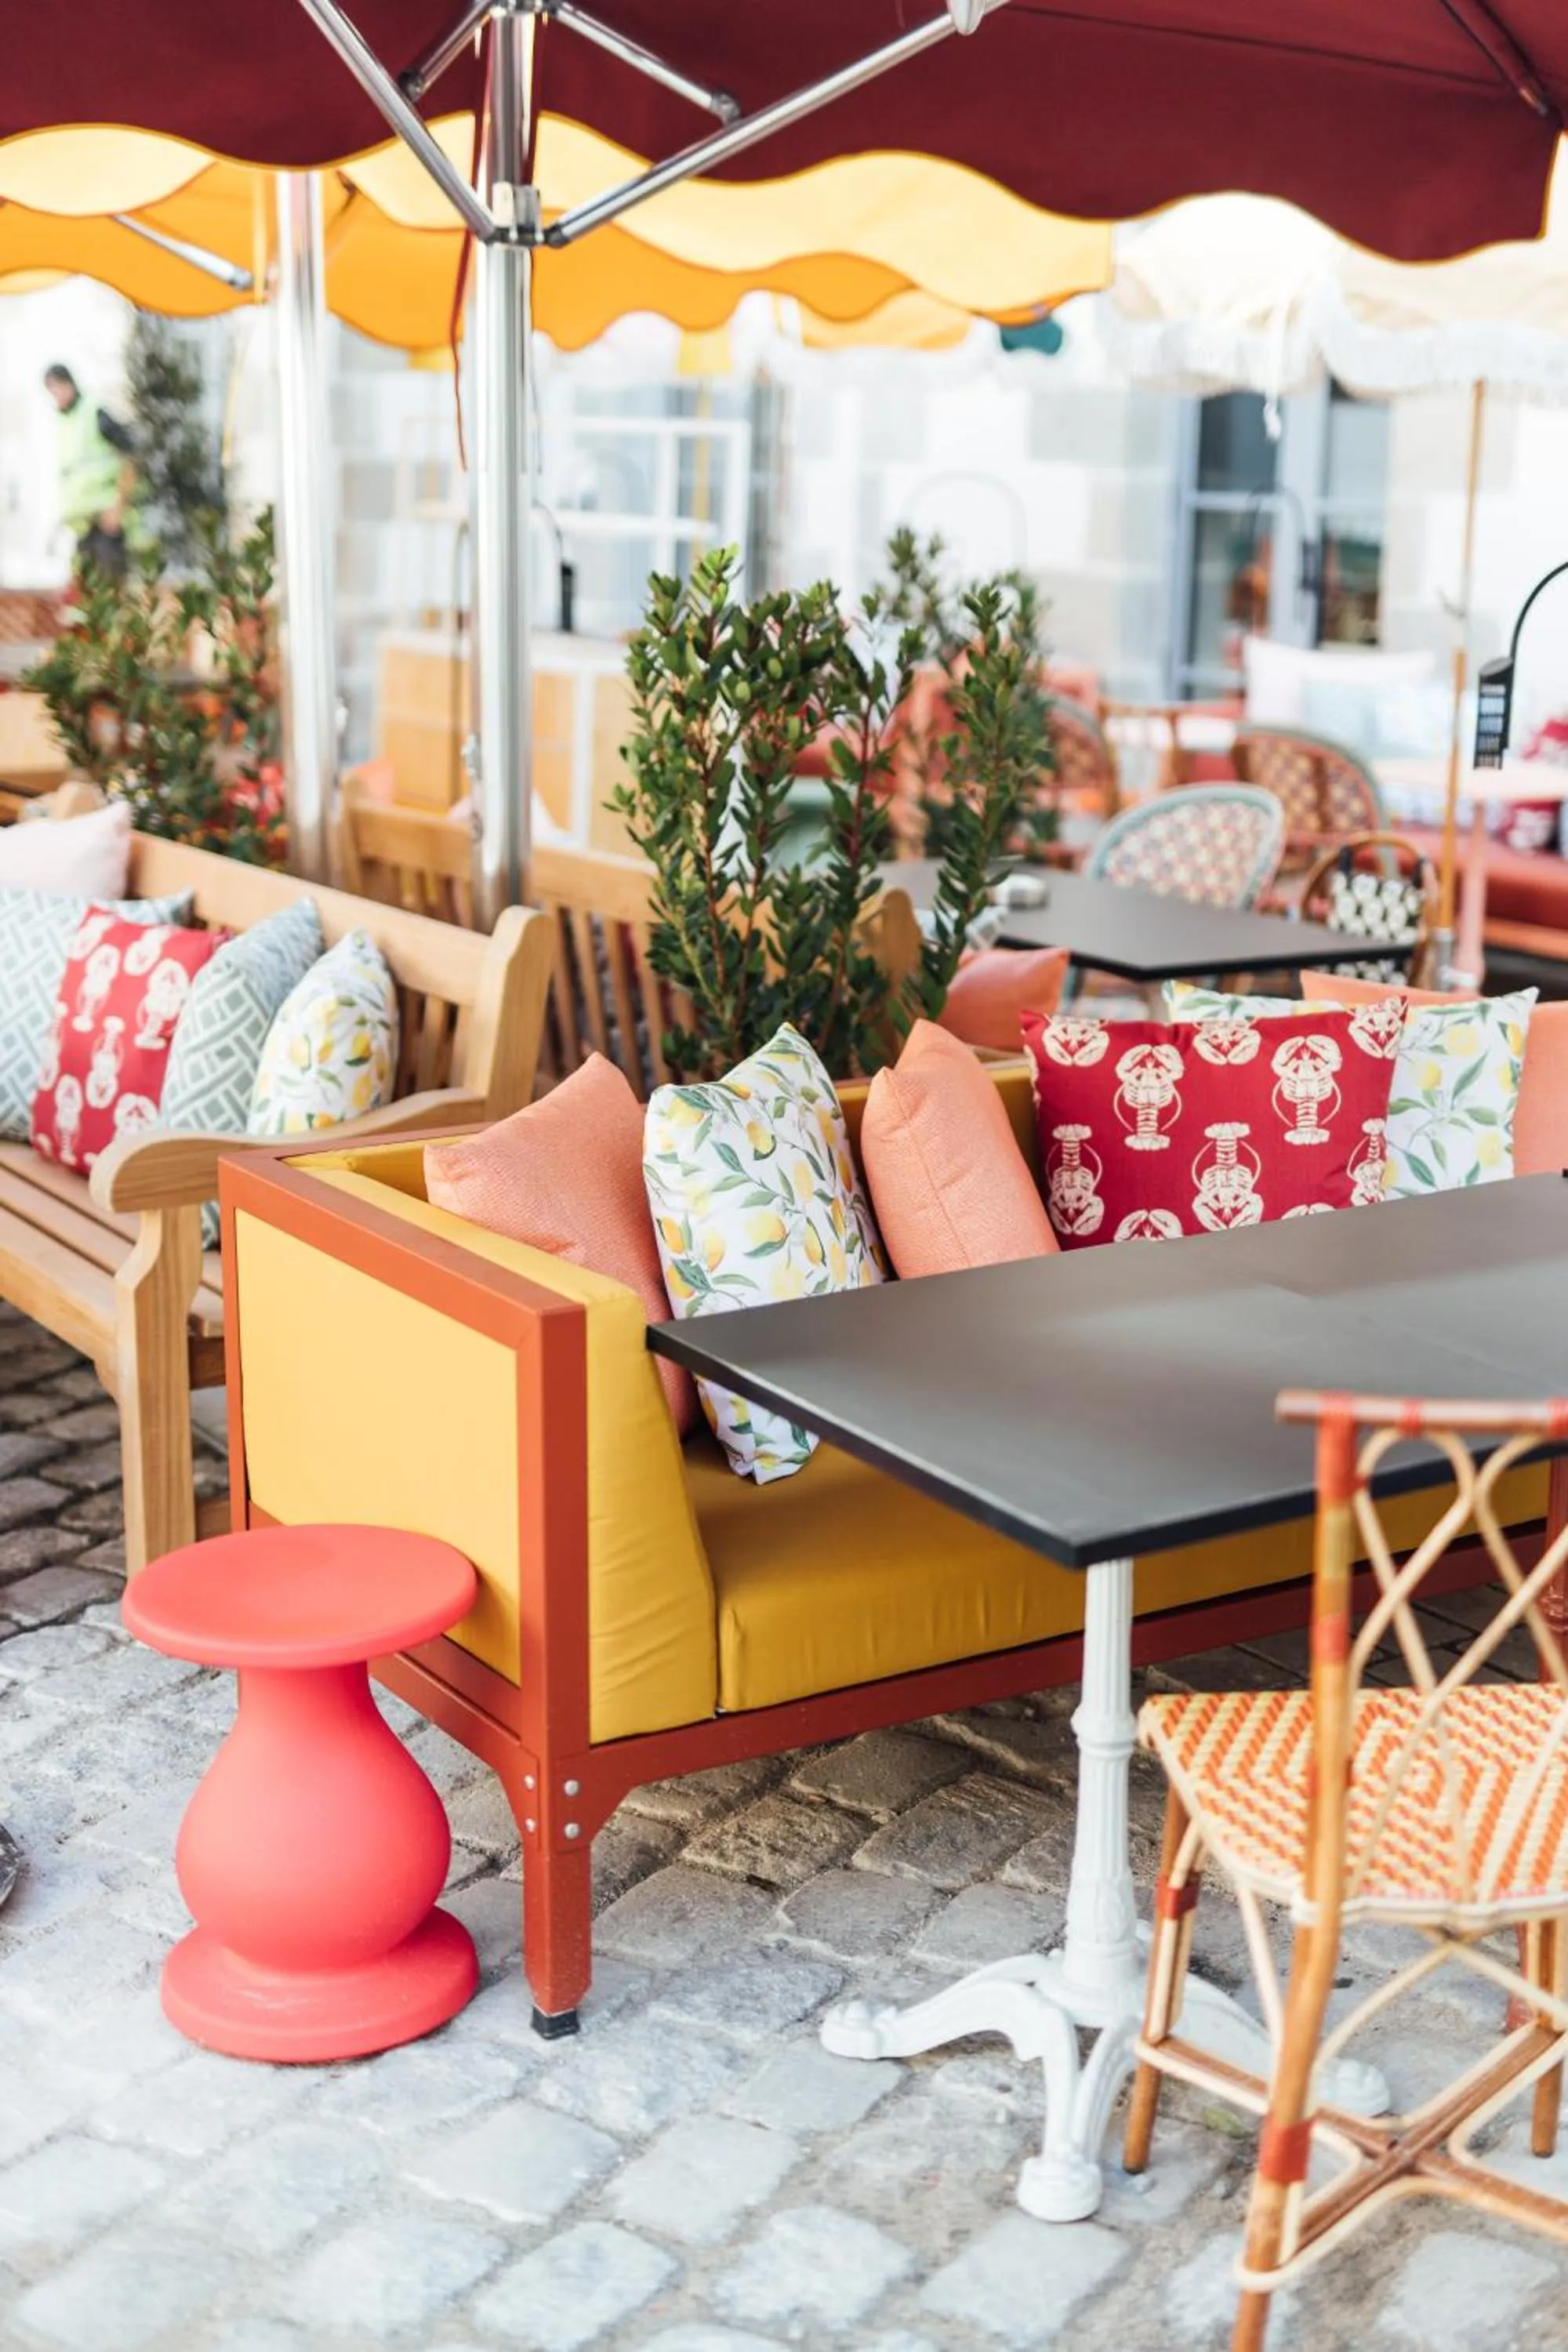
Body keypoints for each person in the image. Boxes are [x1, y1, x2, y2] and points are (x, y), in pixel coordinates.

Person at [43, 364, 140, 580]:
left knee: (111, 585)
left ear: (69, 384)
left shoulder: (94, 413)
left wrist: (119, 505)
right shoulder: (64, 420)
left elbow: (132, 455)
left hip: (107, 521)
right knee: (84, 590)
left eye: (58, 387)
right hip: (82, 524)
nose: (56, 395)